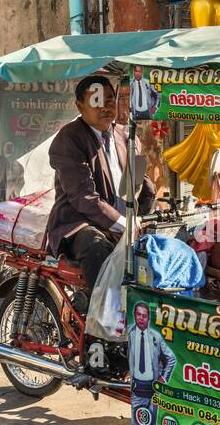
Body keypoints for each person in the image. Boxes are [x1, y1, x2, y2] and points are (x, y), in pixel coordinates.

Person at [46, 75, 155, 288]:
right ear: (79, 106)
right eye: (96, 101)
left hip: (123, 221)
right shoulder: (69, 138)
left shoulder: (126, 136)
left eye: (109, 100)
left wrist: (146, 215)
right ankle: (101, 313)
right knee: (95, 246)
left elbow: (141, 183)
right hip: (79, 222)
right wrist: (123, 223)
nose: (105, 107)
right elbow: (83, 197)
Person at [128, 301, 176, 425]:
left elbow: (171, 358)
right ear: (134, 315)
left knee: (153, 424)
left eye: (144, 315)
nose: (141, 318)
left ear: (148, 318)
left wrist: (163, 378)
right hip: (137, 388)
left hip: (153, 389)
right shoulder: (129, 334)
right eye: (138, 314)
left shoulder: (156, 337)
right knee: (139, 421)